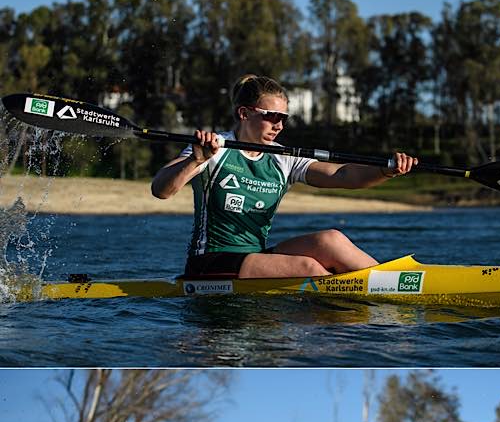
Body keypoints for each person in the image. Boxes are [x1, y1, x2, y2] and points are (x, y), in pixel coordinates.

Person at [151, 74, 419, 279]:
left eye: (284, 118)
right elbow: (161, 189)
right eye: (272, 116)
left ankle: (391, 284)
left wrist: (385, 171)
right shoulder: (215, 148)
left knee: (331, 239)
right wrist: (196, 160)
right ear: (244, 113)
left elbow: (343, 174)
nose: (279, 125)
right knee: (308, 267)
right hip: (210, 262)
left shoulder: (284, 157)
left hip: (255, 258)